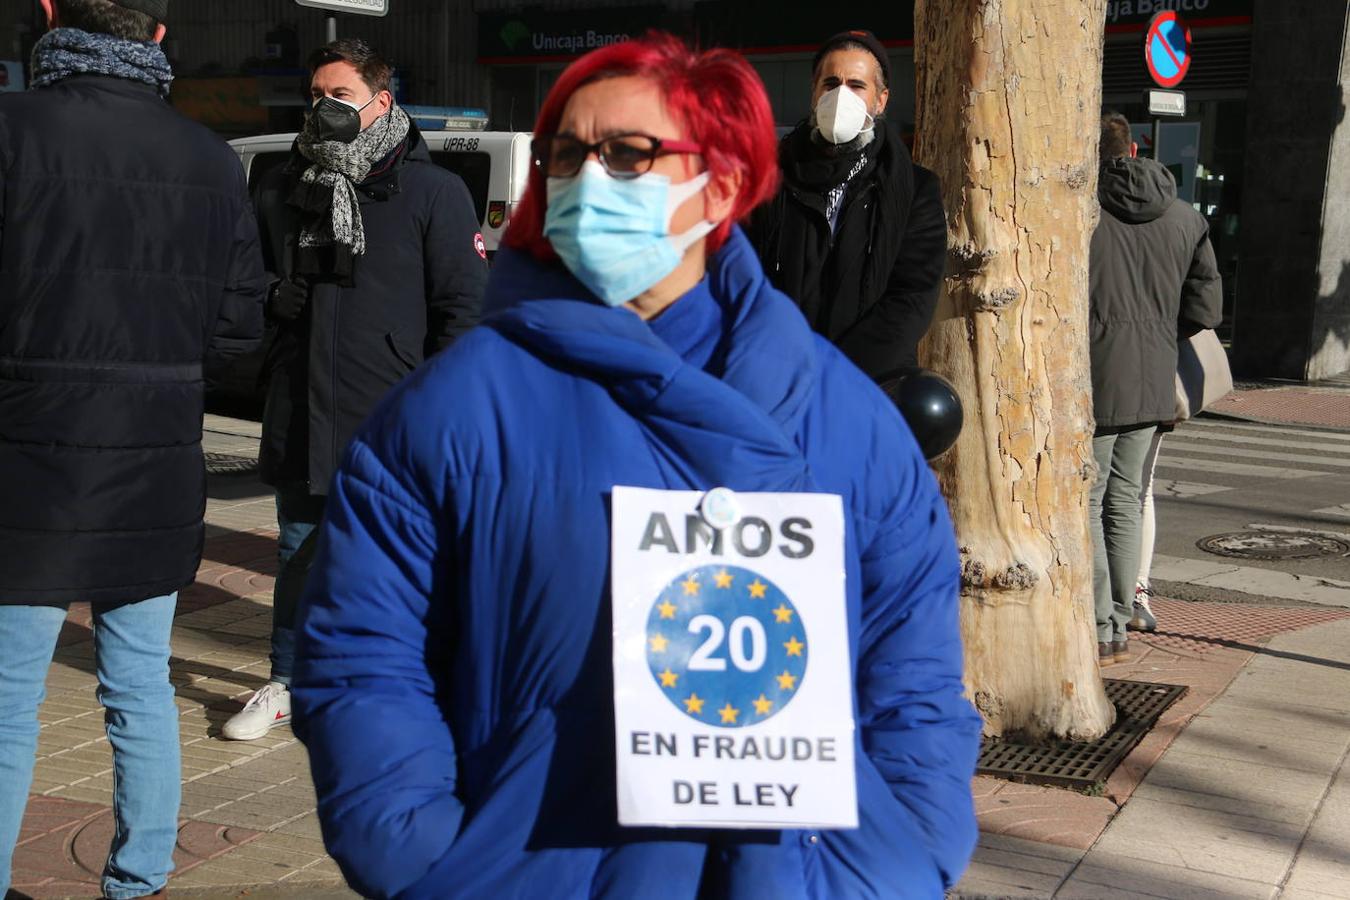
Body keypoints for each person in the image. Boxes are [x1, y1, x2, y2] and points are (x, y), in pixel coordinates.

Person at [290, 33, 981, 899]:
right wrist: (438, 863)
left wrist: (898, 856)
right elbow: (362, 662)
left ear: (719, 185)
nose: (586, 179)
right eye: (565, 155)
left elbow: (914, 681)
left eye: (627, 153)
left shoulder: (853, 429)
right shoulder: (449, 414)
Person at [0, 0, 266, 895]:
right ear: (156, 37)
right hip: (154, 449)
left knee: (5, 705)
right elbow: (238, 331)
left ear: (47, 16)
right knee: (139, 687)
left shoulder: (13, 129)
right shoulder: (208, 157)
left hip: (25, 448)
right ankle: (139, 877)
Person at [222, 39, 488, 741]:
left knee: (402, 554)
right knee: (299, 548)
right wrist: (275, 303)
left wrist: (443, 409)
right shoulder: (284, 183)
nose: (323, 109)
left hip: (396, 413)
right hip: (304, 402)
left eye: (339, 96)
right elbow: (247, 280)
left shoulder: (432, 191)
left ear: (381, 102)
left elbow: (462, 309)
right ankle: (287, 679)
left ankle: (402, 683)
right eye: (315, 96)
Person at [1089, 112, 1221, 665]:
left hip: (1091, 377)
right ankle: (1121, 615)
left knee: (1087, 503)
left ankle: (1100, 627)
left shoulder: (1081, 214)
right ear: (1138, 148)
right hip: (1153, 379)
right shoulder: (1186, 217)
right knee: (1124, 500)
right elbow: (1207, 309)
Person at [746, 29, 946, 380]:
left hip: (868, 381)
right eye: (830, 83)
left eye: (856, 85)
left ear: (880, 100)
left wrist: (832, 377)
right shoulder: (769, 180)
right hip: (778, 376)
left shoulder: (915, 190)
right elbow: (746, 277)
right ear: (814, 92)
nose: (841, 96)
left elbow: (911, 298)